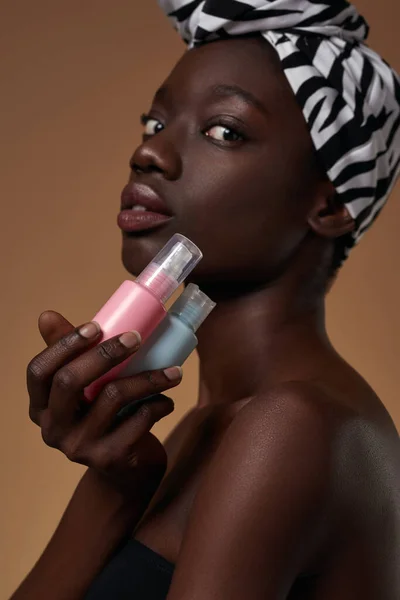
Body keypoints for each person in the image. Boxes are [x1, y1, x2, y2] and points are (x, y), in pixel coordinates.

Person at [11, 1, 400, 599]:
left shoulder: (290, 427)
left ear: (329, 205)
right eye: (155, 124)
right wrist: (117, 483)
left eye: (225, 130)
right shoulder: (199, 426)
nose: (150, 154)